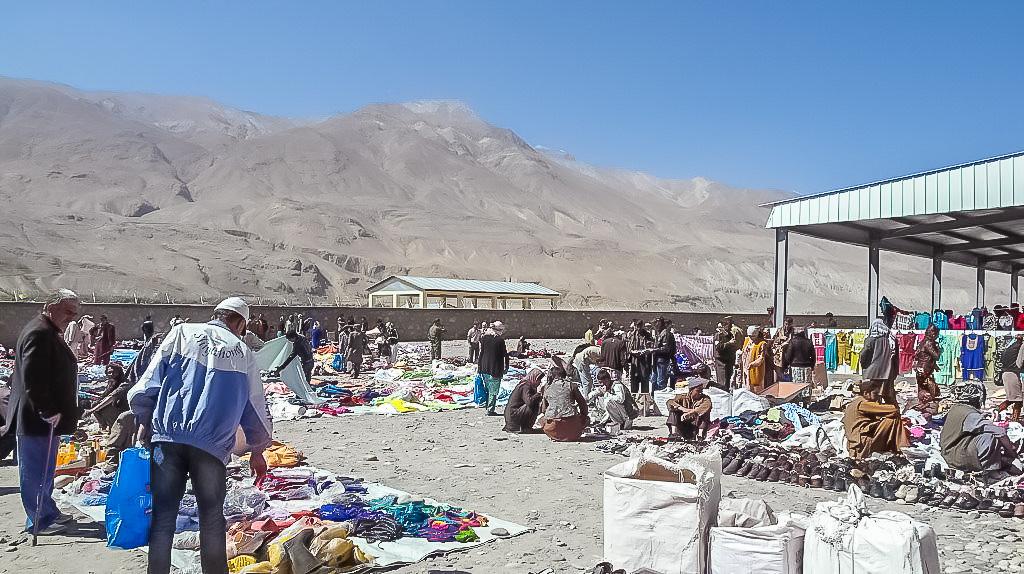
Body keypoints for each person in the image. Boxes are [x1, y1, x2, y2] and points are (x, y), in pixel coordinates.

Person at [129, 297, 272, 574]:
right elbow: (256, 407)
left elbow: (147, 383)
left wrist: (145, 419)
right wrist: (258, 449)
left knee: (163, 517)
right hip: (211, 448)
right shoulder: (242, 352)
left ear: (216, 314)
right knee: (211, 518)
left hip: (168, 441)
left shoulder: (182, 333)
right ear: (240, 323)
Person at [2, 289, 81, 536]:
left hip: (45, 417)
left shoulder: (47, 330)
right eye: (68, 311)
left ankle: (47, 511)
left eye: (74, 313)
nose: (71, 317)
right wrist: (47, 410)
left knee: (45, 469)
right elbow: (33, 379)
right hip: (38, 417)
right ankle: (40, 520)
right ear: (51, 306)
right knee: (36, 470)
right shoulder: (39, 332)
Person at [842, 379, 907, 459]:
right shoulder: (864, 404)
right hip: (862, 442)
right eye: (875, 394)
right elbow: (894, 410)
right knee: (893, 419)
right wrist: (888, 398)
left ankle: (898, 447)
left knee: (889, 420)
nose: (877, 397)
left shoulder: (855, 402)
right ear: (866, 393)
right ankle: (903, 448)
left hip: (857, 440)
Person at [540, 357, 589, 442]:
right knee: (587, 419)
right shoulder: (571, 385)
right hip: (572, 429)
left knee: (541, 420)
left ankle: (555, 435)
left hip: (553, 429)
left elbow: (544, 409)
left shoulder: (546, 388)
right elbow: (582, 404)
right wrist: (583, 417)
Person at [860, 318, 899, 405]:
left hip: (873, 372)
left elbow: (864, 354)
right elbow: (896, 357)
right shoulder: (891, 339)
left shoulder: (871, 340)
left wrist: (864, 365)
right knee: (889, 395)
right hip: (888, 372)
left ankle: (877, 413)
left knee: (874, 396)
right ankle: (893, 412)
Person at [588, 368, 638, 435]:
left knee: (608, 401)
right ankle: (611, 421)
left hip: (628, 414)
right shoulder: (606, 385)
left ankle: (621, 423)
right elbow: (596, 391)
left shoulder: (617, 385)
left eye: (603, 382)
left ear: (607, 379)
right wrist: (588, 398)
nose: (602, 384)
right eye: (600, 382)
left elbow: (621, 399)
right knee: (599, 397)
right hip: (621, 412)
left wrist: (607, 393)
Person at [83, 363, 128, 430]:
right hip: (116, 405)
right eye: (109, 372)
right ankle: (104, 426)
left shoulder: (123, 384)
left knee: (102, 407)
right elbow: (105, 395)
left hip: (122, 409)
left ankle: (113, 427)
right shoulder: (111, 382)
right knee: (94, 403)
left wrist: (92, 410)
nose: (112, 374)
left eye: (114, 372)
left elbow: (111, 397)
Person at [478, 321, 509, 416]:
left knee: (488, 388)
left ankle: (488, 406)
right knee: (493, 390)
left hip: (484, 367)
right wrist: (506, 366)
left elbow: (481, 353)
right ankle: (490, 409)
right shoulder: (500, 340)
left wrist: (479, 367)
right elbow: (505, 355)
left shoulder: (484, 338)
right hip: (495, 368)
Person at [502, 367, 545, 433]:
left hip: (514, 414)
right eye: (539, 380)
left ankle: (525, 426)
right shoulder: (526, 386)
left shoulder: (529, 385)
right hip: (513, 414)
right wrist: (539, 394)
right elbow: (529, 402)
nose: (539, 382)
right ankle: (525, 427)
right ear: (534, 378)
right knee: (534, 405)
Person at [914, 324, 942, 415]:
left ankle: (922, 407)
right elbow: (936, 356)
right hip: (925, 370)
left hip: (921, 369)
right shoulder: (928, 342)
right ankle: (925, 409)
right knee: (929, 389)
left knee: (922, 388)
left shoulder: (923, 341)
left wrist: (934, 366)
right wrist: (938, 348)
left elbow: (924, 356)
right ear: (933, 334)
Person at [996, 334, 1024, 422]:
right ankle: (997, 411)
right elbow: (1019, 363)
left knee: (1016, 399)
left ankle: (1014, 418)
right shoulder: (1021, 346)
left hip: (1009, 374)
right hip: (1012, 374)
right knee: (1016, 400)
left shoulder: (1012, 346)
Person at [625, 320, 654, 393]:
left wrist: (646, 351)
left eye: (639, 326)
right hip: (634, 361)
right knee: (634, 381)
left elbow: (651, 347)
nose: (638, 328)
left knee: (644, 380)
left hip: (644, 361)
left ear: (642, 326)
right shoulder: (631, 335)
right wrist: (632, 352)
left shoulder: (647, 335)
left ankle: (644, 400)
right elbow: (628, 349)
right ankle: (634, 398)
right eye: (636, 326)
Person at [649, 317, 676, 392]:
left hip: (662, 360)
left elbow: (666, 348)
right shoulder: (660, 333)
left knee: (660, 381)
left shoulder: (665, 333)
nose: (654, 327)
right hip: (656, 359)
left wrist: (653, 350)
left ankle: (659, 398)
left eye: (655, 325)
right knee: (653, 380)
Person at [712, 324, 737, 390]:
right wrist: (729, 343)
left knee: (728, 379)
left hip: (728, 360)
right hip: (721, 361)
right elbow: (718, 347)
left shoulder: (728, 335)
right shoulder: (718, 335)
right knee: (722, 381)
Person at [744, 327, 767, 392]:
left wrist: (753, 364)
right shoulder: (747, 341)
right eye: (749, 336)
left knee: (756, 389)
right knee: (747, 388)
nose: (751, 338)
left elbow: (761, 358)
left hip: (756, 370)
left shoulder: (762, 344)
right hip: (746, 368)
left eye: (753, 336)